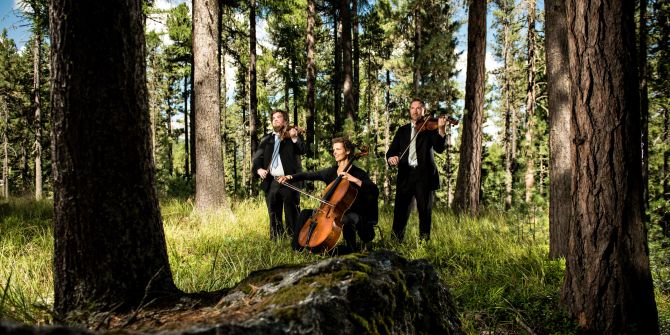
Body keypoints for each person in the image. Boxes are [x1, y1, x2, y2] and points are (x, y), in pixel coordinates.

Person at [278, 137, 379, 254]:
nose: (334, 152)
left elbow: (374, 190)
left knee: (347, 219)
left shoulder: (358, 173)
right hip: (331, 211)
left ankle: (351, 251)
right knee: (305, 213)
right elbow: (309, 175)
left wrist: (355, 180)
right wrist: (290, 177)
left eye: (338, 149)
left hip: (354, 212)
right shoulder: (331, 172)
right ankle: (297, 249)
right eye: (333, 149)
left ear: (347, 151)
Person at [386, 98, 447, 241]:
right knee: (400, 211)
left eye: (419, 108)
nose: (415, 110)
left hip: (424, 176)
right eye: (413, 108)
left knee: (425, 212)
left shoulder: (430, 128)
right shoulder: (402, 130)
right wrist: (392, 158)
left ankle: (424, 244)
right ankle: (396, 242)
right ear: (409, 110)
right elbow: (391, 152)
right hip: (405, 175)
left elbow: (439, 148)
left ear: (423, 111)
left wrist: (441, 129)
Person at [252, 109, 306, 240]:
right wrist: (259, 169)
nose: (275, 119)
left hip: (289, 180)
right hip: (271, 182)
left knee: (292, 213)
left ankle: (295, 241)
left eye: (279, 117)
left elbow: (303, 150)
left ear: (285, 121)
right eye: (273, 118)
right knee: (273, 214)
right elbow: (257, 158)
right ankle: (277, 241)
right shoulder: (266, 139)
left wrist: (294, 138)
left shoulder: (293, 136)